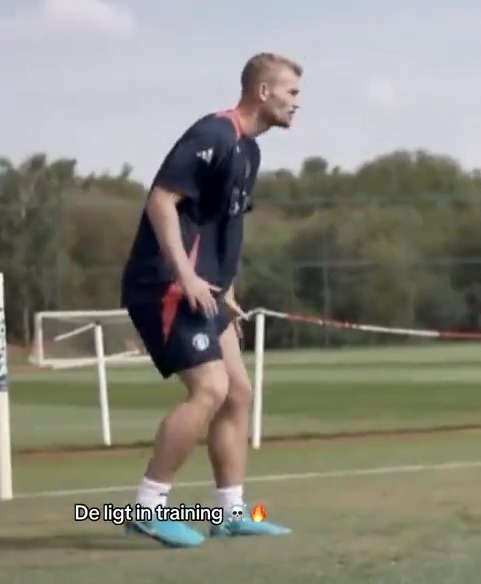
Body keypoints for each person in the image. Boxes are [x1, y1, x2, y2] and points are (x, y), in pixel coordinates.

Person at [119, 53, 302, 548]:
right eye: (291, 93)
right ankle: (148, 507)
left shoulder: (251, 152)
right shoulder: (214, 134)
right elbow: (161, 200)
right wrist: (186, 275)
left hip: (207, 288)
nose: (297, 104)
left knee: (238, 392)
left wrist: (228, 292)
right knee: (210, 390)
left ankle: (231, 513)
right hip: (166, 282)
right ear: (263, 92)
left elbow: (225, 227)